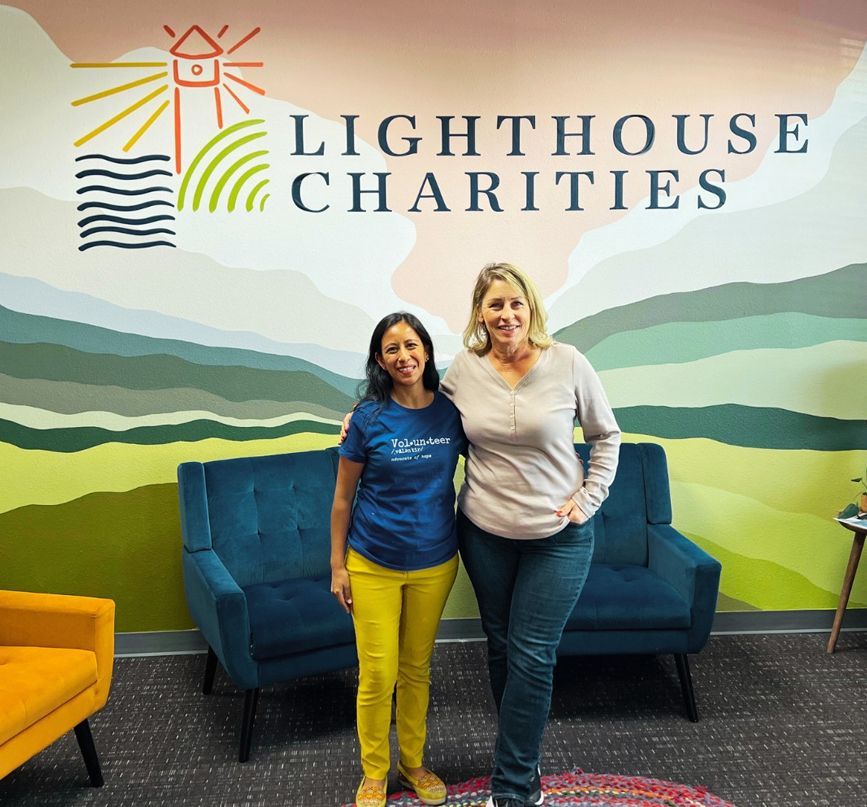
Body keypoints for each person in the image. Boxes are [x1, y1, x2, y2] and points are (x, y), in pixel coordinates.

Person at [440, 262, 621, 807]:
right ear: (479, 314)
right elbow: (418, 413)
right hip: (485, 533)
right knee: (502, 649)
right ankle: (523, 752)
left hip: (557, 536)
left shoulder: (568, 362)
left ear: (531, 308)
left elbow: (606, 436)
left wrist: (586, 499)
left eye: (516, 303)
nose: (506, 314)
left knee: (533, 653)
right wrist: (362, 413)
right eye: (495, 305)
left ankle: (514, 786)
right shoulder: (464, 369)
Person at [331, 312, 466, 807]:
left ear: (427, 351)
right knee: (378, 673)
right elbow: (343, 499)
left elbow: (500, 450)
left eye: (411, 346)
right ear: (379, 361)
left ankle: (412, 763)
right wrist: (337, 566)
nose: (403, 356)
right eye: (391, 349)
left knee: (416, 669)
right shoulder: (367, 419)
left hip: (436, 560)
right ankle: (373, 771)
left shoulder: (453, 413)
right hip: (372, 562)